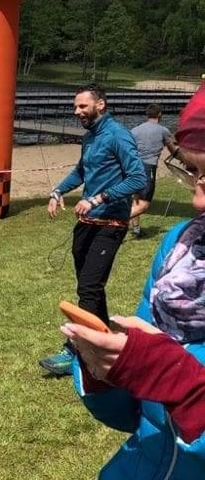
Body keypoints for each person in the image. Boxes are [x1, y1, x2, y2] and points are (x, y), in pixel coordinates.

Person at [58, 82, 205, 480]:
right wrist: (105, 374)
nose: (199, 202)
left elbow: (130, 182)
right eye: (195, 173)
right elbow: (132, 415)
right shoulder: (182, 250)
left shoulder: (116, 134)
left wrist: (183, 384)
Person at [39, 84, 146, 377]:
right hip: (86, 223)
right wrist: (57, 191)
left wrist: (99, 198)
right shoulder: (90, 138)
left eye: (82, 107)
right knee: (90, 286)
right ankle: (105, 340)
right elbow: (82, 171)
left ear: (100, 105)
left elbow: (138, 178)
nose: (77, 112)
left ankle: (75, 350)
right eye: (75, 107)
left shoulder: (118, 136)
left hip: (110, 223)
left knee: (88, 286)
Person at [128, 103, 175, 238]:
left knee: (135, 199)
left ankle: (136, 229)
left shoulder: (135, 130)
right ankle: (117, 222)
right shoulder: (163, 130)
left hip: (133, 167)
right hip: (148, 168)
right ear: (160, 115)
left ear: (147, 114)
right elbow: (173, 150)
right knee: (144, 204)